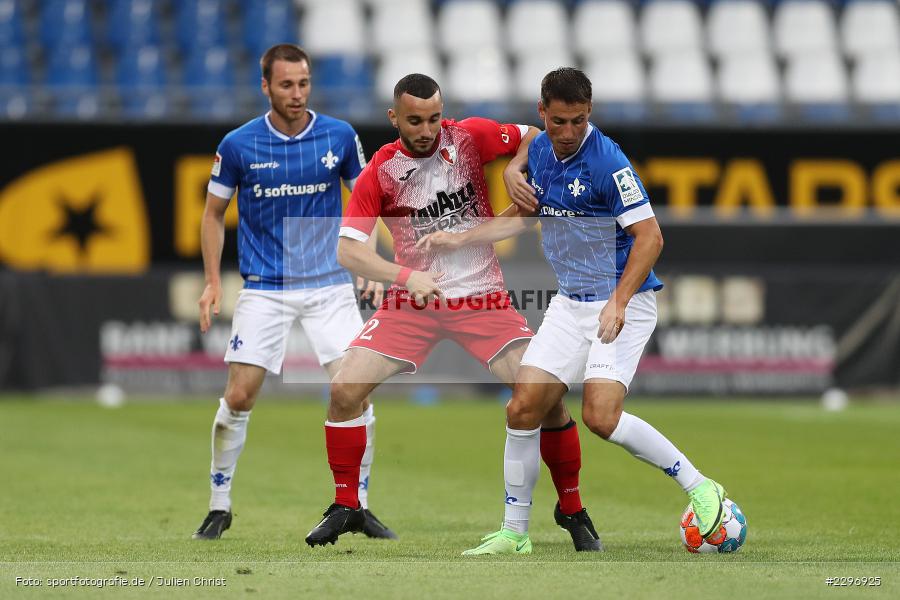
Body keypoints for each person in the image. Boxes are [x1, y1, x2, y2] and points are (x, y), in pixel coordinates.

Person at [420, 68, 727, 555]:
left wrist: (619, 302)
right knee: (523, 407)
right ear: (542, 113)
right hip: (569, 303)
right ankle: (515, 533)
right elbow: (521, 216)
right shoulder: (540, 150)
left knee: (600, 417)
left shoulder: (609, 163)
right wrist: (461, 237)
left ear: (590, 114)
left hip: (621, 301)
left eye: (578, 122)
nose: (567, 133)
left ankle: (700, 486)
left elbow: (651, 237)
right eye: (559, 121)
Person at [304, 74, 602, 552]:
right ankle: (346, 504)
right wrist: (405, 278)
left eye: (434, 118)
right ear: (394, 118)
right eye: (415, 120)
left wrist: (511, 170)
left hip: (482, 298)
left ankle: (571, 507)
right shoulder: (380, 171)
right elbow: (348, 252)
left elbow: (532, 134)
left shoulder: (469, 137)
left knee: (545, 398)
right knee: (344, 389)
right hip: (413, 304)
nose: (427, 129)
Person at [192, 44, 395, 541]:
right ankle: (219, 504)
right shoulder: (238, 145)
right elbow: (213, 214)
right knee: (239, 396)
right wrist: (214, 280)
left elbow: (365, 202)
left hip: (328, 285)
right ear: (266, 86)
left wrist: (367, 259)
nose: (297, 93)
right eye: (286, 85)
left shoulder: (339, 135)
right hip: (265, 288)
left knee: (356, 393)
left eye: (303, 83)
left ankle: (357, 503)